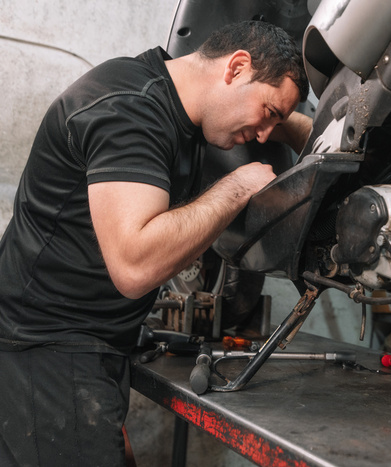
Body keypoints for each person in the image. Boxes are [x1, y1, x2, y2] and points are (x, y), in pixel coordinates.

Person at [0, 20, 312, 466]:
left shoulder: (168, 99)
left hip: (71, 347)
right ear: (236, 67)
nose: (264, 135)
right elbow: (135, 268)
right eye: (269, 113)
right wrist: (239, 185)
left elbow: (273, 117)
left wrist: (316, 137)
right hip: (50, 352)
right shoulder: (131, 112)